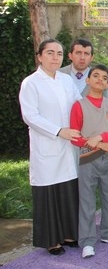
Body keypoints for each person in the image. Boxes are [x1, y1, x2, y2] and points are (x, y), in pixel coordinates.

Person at [19, 39, 81, 256]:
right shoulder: (31, 83)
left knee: (67, 189)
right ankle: (51, 240)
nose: (55, 57)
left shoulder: (66, 80)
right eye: (50, 53)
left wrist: (107, 106)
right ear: (39, 56)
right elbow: (30, 116)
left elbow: (79, 105)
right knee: (48, 192)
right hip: (46, 145)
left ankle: (69, 234)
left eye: (59, 53)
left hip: (68, 146)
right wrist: (58, 131)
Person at [70, 64, 108, 259]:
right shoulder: (79, 106)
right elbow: (75, 137)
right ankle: (87, 241)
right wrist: (99, 144)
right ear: (87, 80)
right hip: (88, 159)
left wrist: (100, 137)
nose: (100, 80)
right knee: (87, 201)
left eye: (104, 78)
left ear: (107, 84)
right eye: (95, 76)